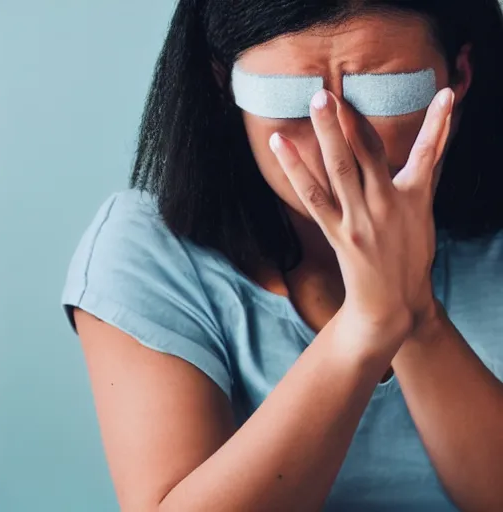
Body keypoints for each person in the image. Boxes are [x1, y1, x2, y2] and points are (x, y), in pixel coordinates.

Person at [60, 0, 503, 510]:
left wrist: (418, 318)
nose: (334, 136)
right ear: (224, 82)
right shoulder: (146, 251)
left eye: (384, 92)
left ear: (459, 75)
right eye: (289, 97)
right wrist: (367, 324)